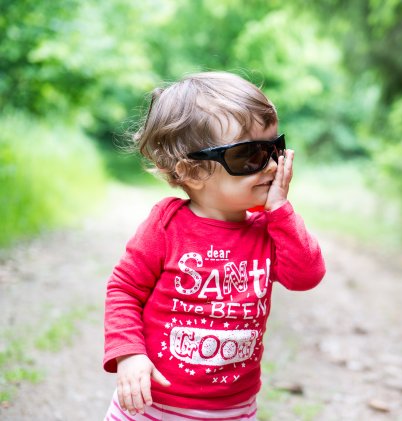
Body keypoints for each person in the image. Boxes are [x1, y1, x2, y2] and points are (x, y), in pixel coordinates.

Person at [102, 71, 326, 420]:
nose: (270, 165)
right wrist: (129, 354)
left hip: (233, 408)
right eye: (249, 156)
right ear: (192, 172)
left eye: (274, 149)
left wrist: (280, 211)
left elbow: (306, 276)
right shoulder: (167, 225)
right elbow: (124, 290)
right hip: (152, 406)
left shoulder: (268, 231)